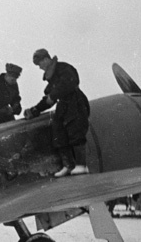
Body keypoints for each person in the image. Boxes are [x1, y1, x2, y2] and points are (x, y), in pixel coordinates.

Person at [23, 48, 91, 177]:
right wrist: (35, 109)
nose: (40, 67)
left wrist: (53, 95)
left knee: (75, 133)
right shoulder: (52, 77)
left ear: (46, 59)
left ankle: (81, 166)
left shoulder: (64, 68)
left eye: (40, 64)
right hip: (63, 105)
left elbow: (69, 84)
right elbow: (49, 98)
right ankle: (68, 166)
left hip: (75, 102)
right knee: (58, 134)